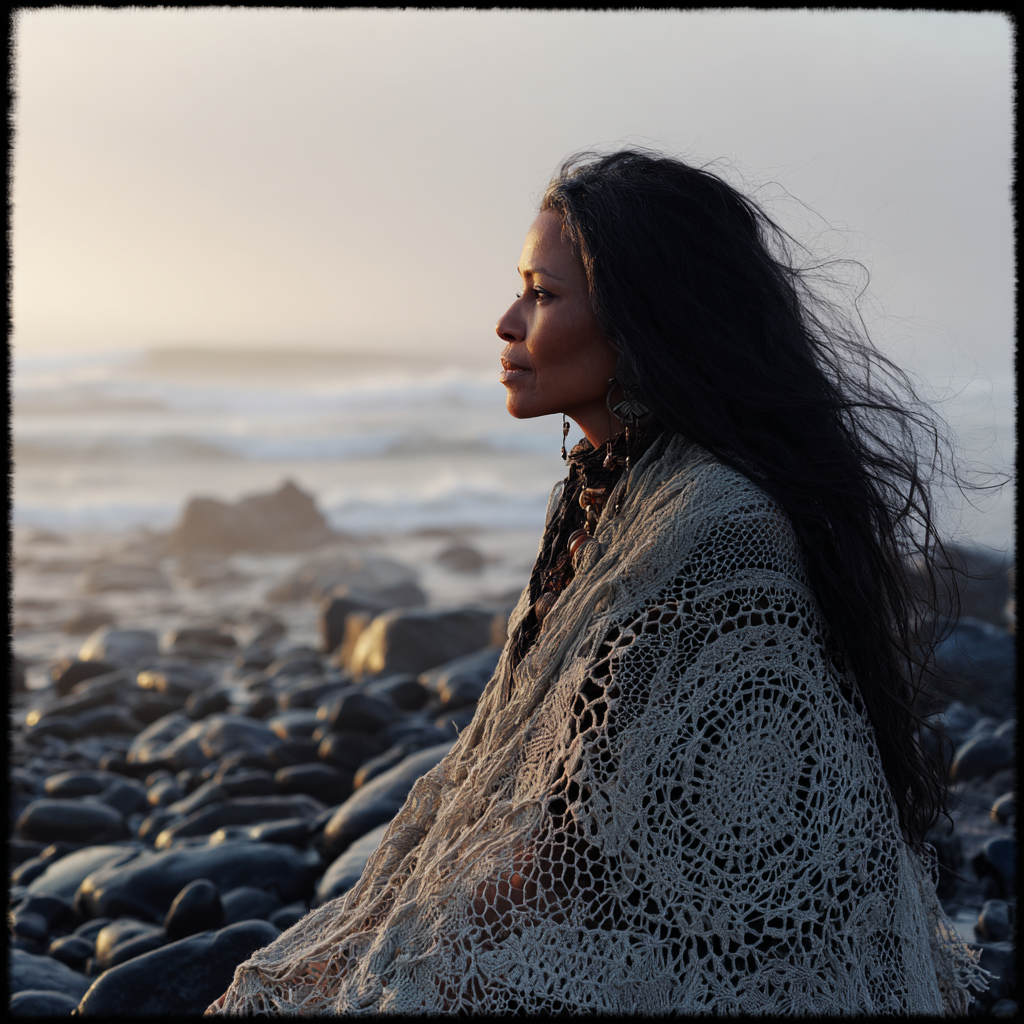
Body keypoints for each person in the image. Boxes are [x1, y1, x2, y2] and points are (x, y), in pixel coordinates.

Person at [208, 149, 985, 1015]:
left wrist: (406, 975)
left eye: (542, 295)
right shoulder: (616, 487)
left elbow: (594, 843)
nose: (507, 322)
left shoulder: (716, 522)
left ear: (643, 318)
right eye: (520, 290)